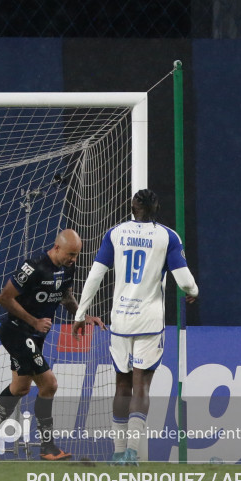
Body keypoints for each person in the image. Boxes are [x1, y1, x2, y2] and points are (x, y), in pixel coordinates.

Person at [72, 189, 198, 465]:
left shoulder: (115, 233)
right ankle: (131, 452)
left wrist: (81, 312)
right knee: (141, 387)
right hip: (150, 321)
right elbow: (185, 281)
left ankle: (117, 453)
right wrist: (194, 290)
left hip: (121, 320)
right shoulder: (168, 237)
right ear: (157, 208)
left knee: (122, 386)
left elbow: (95, 275)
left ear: (132, 207)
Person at [0, 229, 105, 461]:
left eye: (77, 255)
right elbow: (4, 298)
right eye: (70, 254)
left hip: (35, 337)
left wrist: (82, 316)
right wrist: (34, 321)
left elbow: (65, 296)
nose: (73, 259)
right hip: (17, 331)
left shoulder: (68, 268)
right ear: (56, 247)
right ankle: (48, 448)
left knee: (20, 388)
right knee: (49, 384)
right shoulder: (33, 266)